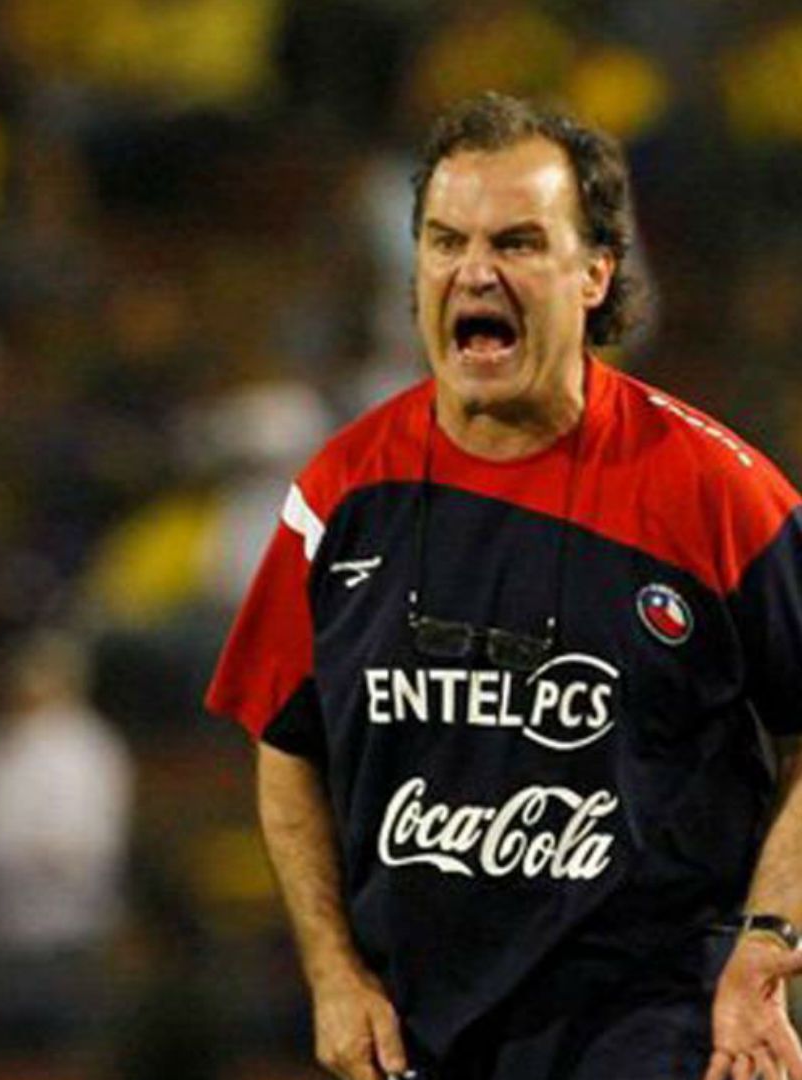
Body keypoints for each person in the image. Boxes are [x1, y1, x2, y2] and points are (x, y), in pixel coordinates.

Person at [206, 91, 802, 1080]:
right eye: (446, 241)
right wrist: (333, 974)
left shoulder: (719, 495)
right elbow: (286, 740)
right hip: (417, 1036)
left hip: (652, 1027)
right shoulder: (342, 493)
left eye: (518, 242)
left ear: (595, 273)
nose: (474, 271)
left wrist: (769, 941)